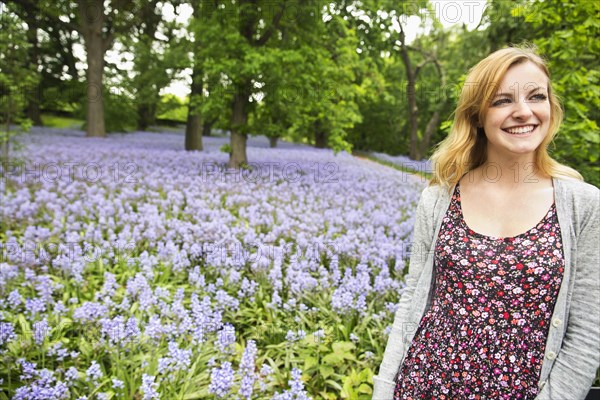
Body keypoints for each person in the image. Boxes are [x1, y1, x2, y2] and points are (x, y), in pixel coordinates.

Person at [373, 46, 599, 400]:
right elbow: (413, 299)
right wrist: (384, 388)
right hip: (420, 387)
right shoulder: (440, 197)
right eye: (502, 100)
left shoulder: (583, 204)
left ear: (551, 107)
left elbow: (587, 333)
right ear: (477, 115)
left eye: (536, 96)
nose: (523, 111)